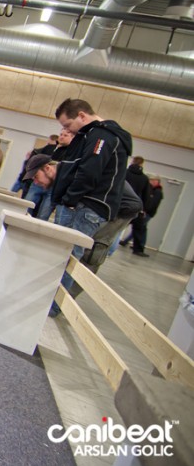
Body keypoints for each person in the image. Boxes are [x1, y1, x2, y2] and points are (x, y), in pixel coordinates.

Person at [49, 98, 132, 313]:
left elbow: (89, 172)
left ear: (82, 116)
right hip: (82, 204)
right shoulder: (93, 135)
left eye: (68, 125)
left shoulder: (102, 136)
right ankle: (50, 303)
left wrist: (70, 200)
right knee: (65, 255)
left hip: (86, 207)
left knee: (67, 256)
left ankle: (53, 306)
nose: (67, 130)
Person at [25, 155, 142, 274]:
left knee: (94, 246)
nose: (36, 182)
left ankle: (77, 281)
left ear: (47, 168)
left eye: (36, 176)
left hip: (125, 207)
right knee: (83, 244)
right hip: (107, 204)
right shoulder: (63, 174)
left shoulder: (70, 172)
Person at [121, 175, 163, 257]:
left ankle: (137, 246)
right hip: (146, 212)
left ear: (156, 181)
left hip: (147, 213)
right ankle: (129, 243)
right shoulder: (154, 190)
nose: (150, 182)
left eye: (152, 180)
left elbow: (152, 203)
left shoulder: (157, 192)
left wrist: (145, 210)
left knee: (139, 229)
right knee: (138, 229)